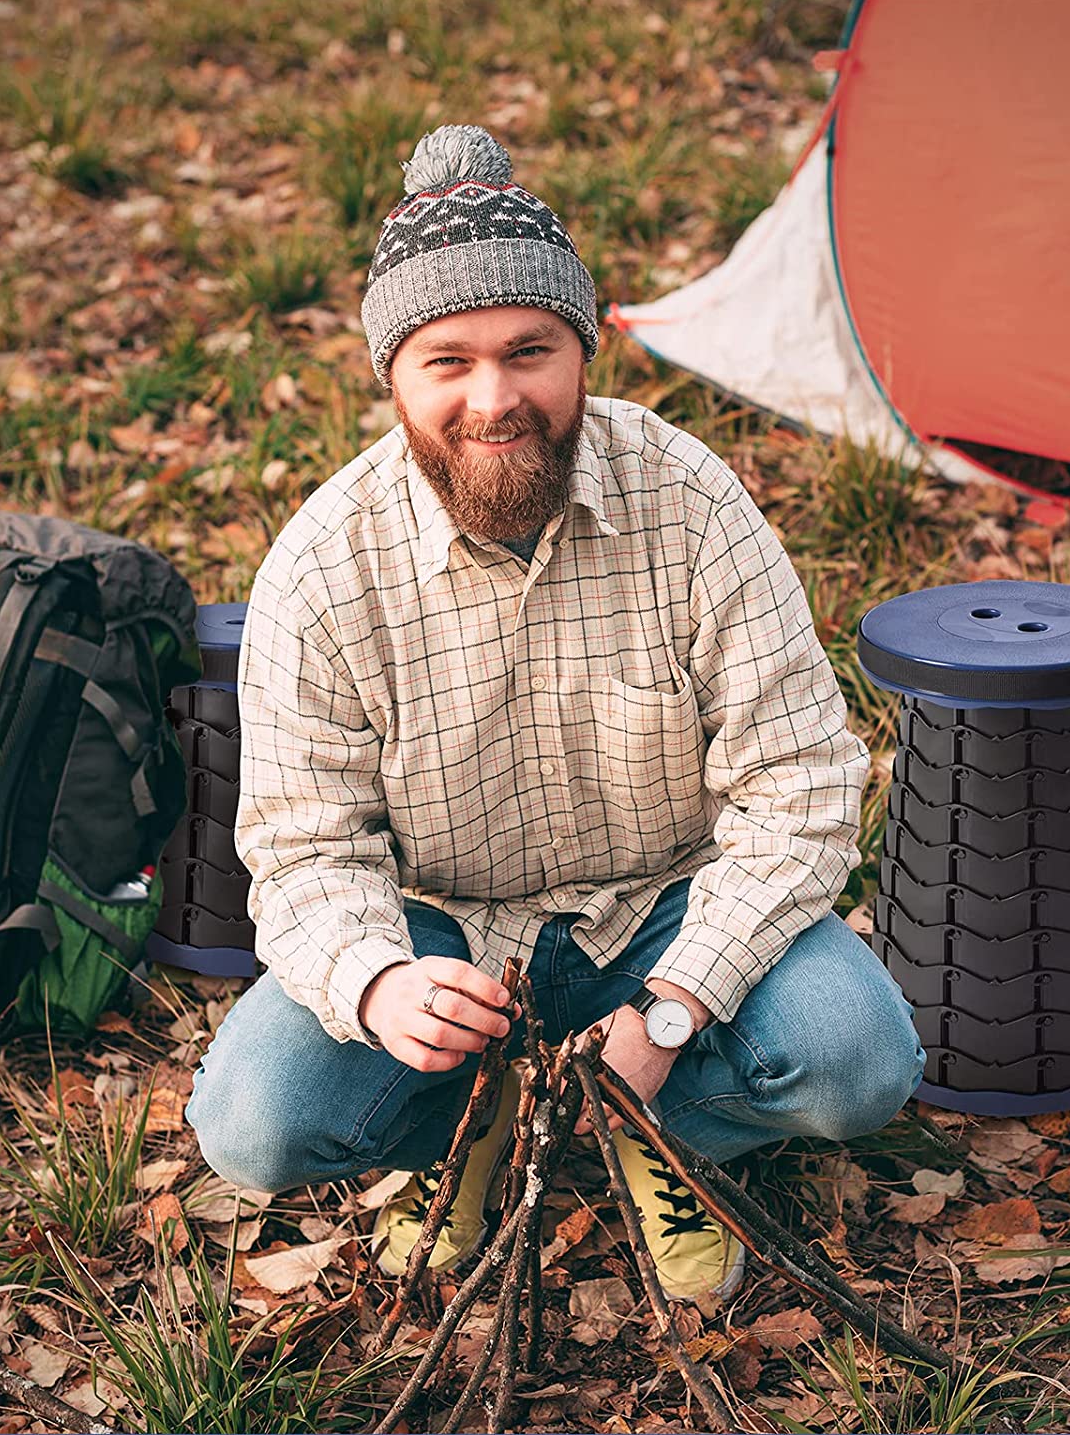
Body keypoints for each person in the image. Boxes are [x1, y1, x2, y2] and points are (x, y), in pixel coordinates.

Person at [185, 125, 925, 1302]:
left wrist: (678, 1005)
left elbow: (804, 783)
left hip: (666, 912)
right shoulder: (323, 566)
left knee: (859, 1063)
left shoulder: (692, 504)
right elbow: (300, 847)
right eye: (449, 360)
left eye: (530, 350)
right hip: (445, 935)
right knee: (255, 1124)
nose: (497, 398)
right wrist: (378, 983)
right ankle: (489, 1117)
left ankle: (648, 1113)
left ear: (582, 351)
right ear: (393, 376)